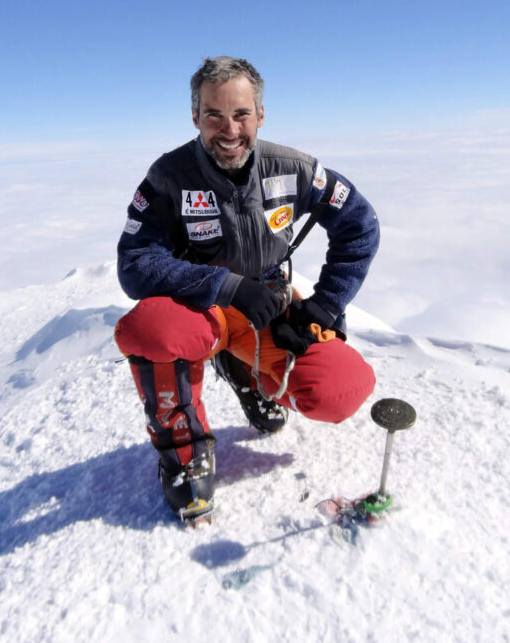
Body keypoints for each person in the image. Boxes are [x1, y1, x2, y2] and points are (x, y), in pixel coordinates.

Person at [114, 56, 379, 522]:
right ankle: (184, 454)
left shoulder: (294, 168)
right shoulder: (169, 177)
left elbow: (359, 224)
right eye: (214, 114)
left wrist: (326, 304)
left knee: (341, 387)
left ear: (260, 114)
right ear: (195, 116)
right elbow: (135, 263)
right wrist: (226, 286)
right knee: (152, 329)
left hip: (269, 307)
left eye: (240, 114)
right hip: (205, 308)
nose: (229, 129)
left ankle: (247, 373)